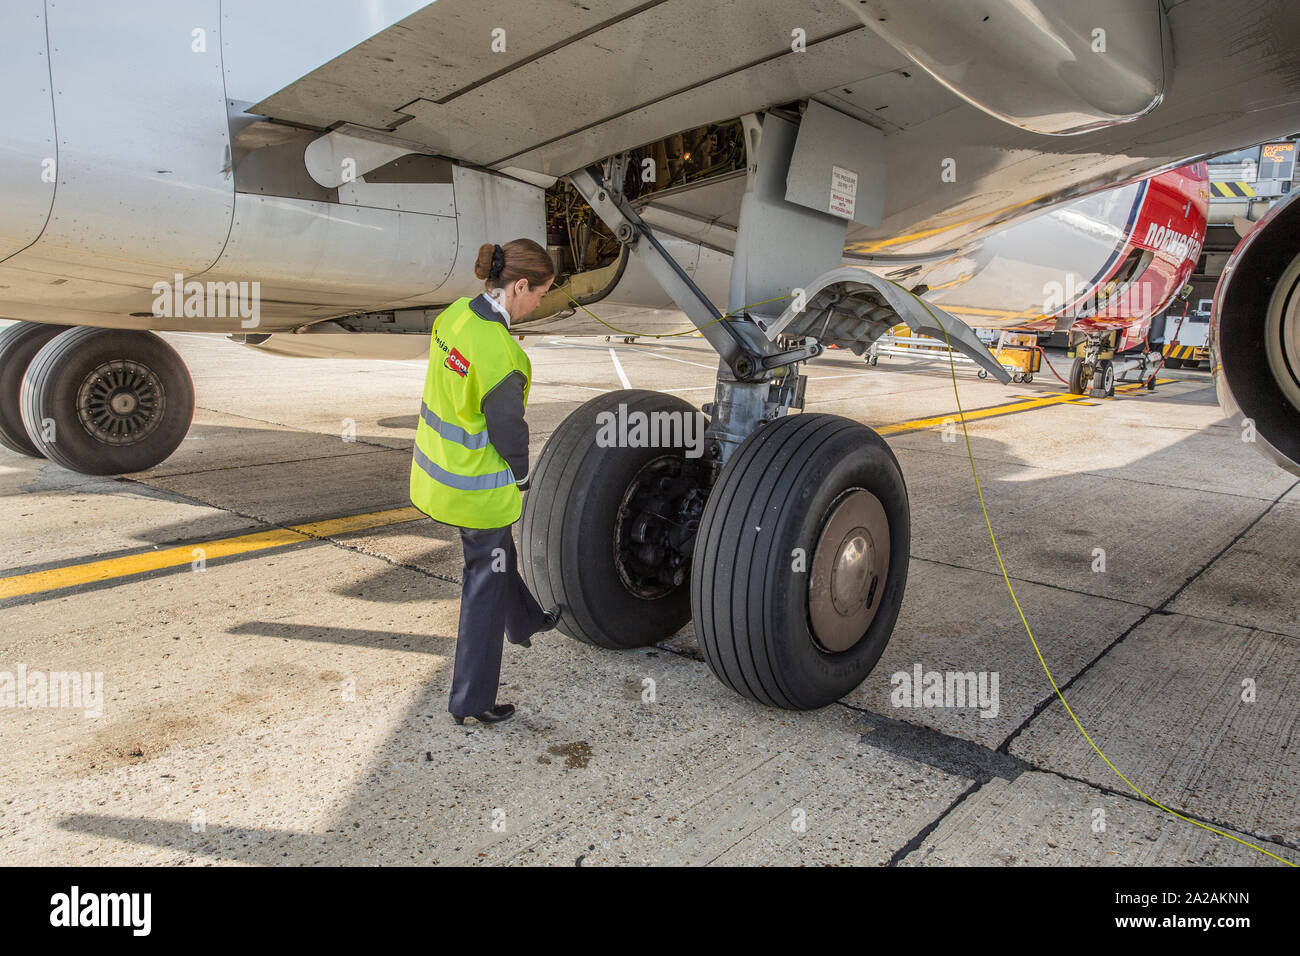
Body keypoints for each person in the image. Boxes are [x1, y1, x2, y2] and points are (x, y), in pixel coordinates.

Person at [409, 238, 562, 726]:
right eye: (539, 293)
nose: (540, 303)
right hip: (476, 490)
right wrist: (522, 477)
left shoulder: (454, 316)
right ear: (519, 286)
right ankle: (471, 702)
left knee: (494, 558)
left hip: (436, 472)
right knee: (484, 582)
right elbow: (510, 434)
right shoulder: (503, 356)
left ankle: (526, 621)